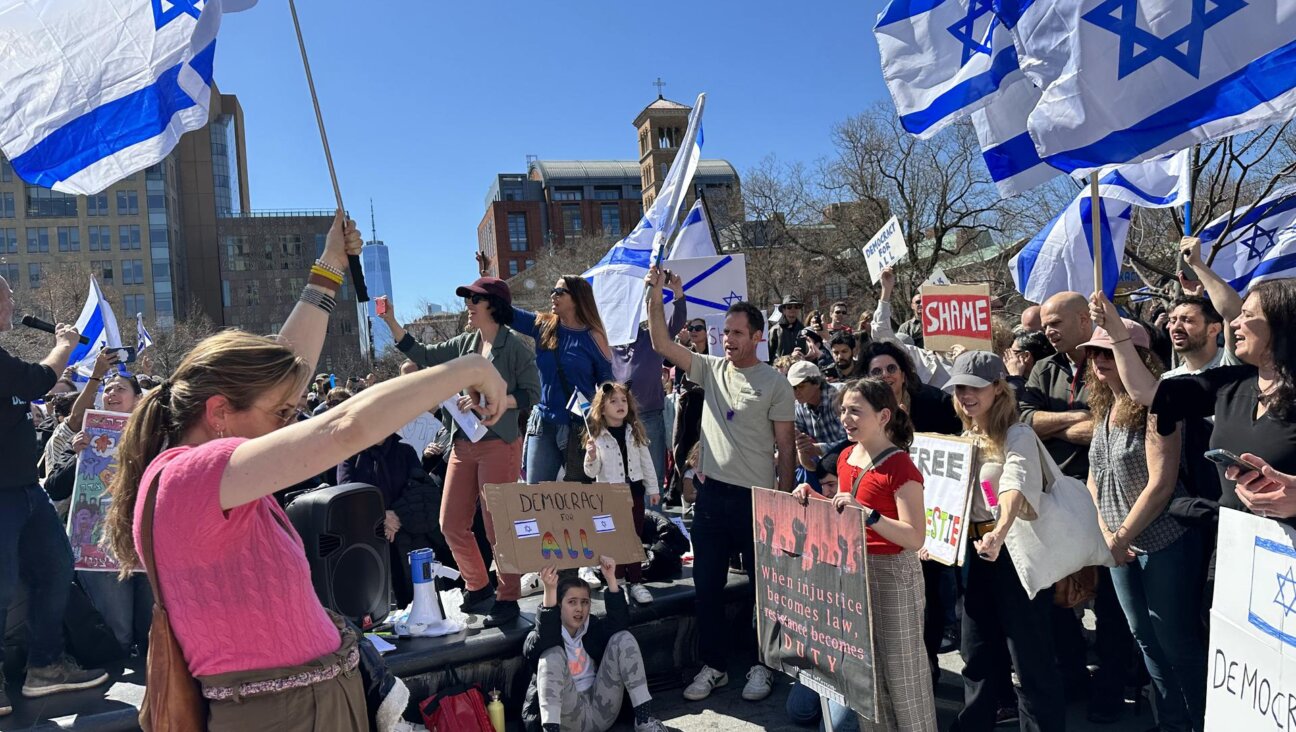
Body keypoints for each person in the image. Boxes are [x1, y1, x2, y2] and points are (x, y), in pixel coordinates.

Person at [103, 213, 508, 731]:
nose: (289, 423)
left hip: (303, 706)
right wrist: (465, 369)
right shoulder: (191, 478)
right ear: (219, 411)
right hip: (284, 717)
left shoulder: (204, 474)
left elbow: (286, 367)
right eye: (281, 415)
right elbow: (341, 429)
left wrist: (330, 267)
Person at [644, 267, 796, 704]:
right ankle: (713, 665)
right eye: (724, 332)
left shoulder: (776, 384)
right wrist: (658, 295)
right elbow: (660, 343)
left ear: (757, 336)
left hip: (757, 502)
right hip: (712, 501)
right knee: (706, 588)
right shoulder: (710, 370)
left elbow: (785, 448)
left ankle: (761, 665)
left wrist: (781, 501)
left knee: (761, 591)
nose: (727, 339)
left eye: (736, 333)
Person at [1087, 250, 1296, 523]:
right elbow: (1147, 392)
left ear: (1279, 325)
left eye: (1247, 315)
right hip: (1236, 544)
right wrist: (1116, 331)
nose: (1235, 323)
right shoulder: (1229, 383)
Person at [381, 276, 541, 627]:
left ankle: (508, 597)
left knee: (498, 526)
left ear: (493, 306)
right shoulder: (465, 343)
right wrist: (391, 320)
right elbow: (421, 355)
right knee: (450, 523)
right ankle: (479, 587)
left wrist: (497, 400)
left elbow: (532, 394)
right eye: (468, 299)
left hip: (500, 442)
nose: (468, 305)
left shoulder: (515, 348)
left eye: (474, 300)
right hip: (463, 443)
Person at [1082, 320, 1206, 731]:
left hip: (1164, 542)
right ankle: (1171, 722)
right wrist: (1107, 536)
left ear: (1138, 356)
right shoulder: (1105, 406)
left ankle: (1203, 719)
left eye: (1108, 352)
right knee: (1145, 640)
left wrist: (1120, 537)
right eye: (1094, 353)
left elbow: (1162, 483)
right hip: (1120, 548)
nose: (1099, 360)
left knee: (1177, 643)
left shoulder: (1158, 405)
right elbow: (1093, 478)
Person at [792, 378, 934, 732]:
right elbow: (845, 513)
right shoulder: (844, 456)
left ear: (884, 415)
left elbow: (914, 537)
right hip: (854, 570)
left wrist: (868, 514)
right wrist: (814, 497)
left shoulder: (900, 466)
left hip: (893, 572)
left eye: (856, 410)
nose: (846, 418)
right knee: (866, 675)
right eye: (843, 410)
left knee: (904, 676)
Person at [1020, 291, 1130, 722]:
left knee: (1111, 603)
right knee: (1058, 596)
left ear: (1085, 320)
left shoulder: (1109, 360)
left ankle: (1111, 685)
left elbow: (1116, 418)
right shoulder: (1044, 368)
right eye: (1045, 324)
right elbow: (1025, 420)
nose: (1047, 331)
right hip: (1056, 497)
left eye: (1055, 322)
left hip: (1107, 495)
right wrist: (1072, 421)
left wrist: (1064, 425)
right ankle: (1072, 677)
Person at [0, 276, 107, 715]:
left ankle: (45, 665)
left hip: (26, 490)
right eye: (7, 297)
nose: (12, 304)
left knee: (57, 566)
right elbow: (37, 381)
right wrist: (64, 343)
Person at [945, 351, 1066, 732]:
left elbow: (1016, 483)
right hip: (976, 553)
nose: (965, 395)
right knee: (976, 651)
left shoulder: (1018, 434)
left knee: (1029, 658)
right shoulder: (967, 436)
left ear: (999, 388)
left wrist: (1000, 530)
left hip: (1016, 552)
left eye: (975, 386)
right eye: (959, 387)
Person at [480, 251, 612, 483]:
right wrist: (486, 276)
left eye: (560, 291)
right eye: (552, 290)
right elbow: (503, 312)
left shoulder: (594, 336)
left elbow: (607, 386)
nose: (553, 295)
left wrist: (604, 426)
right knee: (535, 493)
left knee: (579, 497)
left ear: (578, 298)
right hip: (543, 422)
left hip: (578, 427)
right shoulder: (543, 326)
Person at [522, 561, 678, 732]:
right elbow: (545, 637)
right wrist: (550, 590)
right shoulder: (542, 636)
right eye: (572, 602)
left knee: (623, 638)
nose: (579, 608)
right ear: (559, 605)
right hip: (567, 717)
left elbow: (619, 624)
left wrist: (611, 578)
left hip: (601, 708)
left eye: (585, 602)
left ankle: (644, 720)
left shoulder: (592, 627)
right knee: (551, 655)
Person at [72, 367, 156, 658]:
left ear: (137, 398)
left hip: (147, 540)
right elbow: (56, 486)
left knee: (150, 632)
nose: (112, 393)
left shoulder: (157, 434)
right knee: (117, 631)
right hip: (101, 544)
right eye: (108, 389)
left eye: (120, 388)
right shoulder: (84, 434)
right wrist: (78, 455)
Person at [582, 382, 659, 605]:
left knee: (633, 538)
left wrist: (653, 489)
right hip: (609, 497)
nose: (620, 405)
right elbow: (591, 472)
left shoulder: (634, 431)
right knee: (613, 541)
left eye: (623, 400)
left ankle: (636, 581)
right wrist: (591, 456)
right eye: (613, 401)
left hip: (633, 493)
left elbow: (647, 463)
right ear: (602, 408)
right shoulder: (596, 436)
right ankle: (618, 582)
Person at [613, 271, 687, 492]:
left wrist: (677, 292)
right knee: (623, 479)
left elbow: (676, 323)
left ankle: (655, 522)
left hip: (650, 418)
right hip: (619, 421)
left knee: (653, 479)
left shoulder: (653, 339)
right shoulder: (611, 346)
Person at [862, 341, 962, 435]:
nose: (885, 375)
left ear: (903, 375)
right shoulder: (859, 407)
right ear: (867, 379)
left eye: (891, 368)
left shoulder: (938, 403)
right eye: (876, 372)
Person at [787, 361, 847, 494]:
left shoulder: (840, 396)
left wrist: (817, 449)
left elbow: (851, 442)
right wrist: (802, 447)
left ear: (817, 383)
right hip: (823, 468)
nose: (795, 392)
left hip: (849, 464)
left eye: (800, 386)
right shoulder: (798, 407)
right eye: (792, 388)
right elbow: (806, 458)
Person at [768, 294, 806, 362]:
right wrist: (790, 358)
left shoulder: (803, 330)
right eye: (789, 307)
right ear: (783, 310)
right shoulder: (775, 330)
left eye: (796, 307)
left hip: (800, 369)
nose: (793, 309)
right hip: (780, 370)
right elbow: (769, 356)